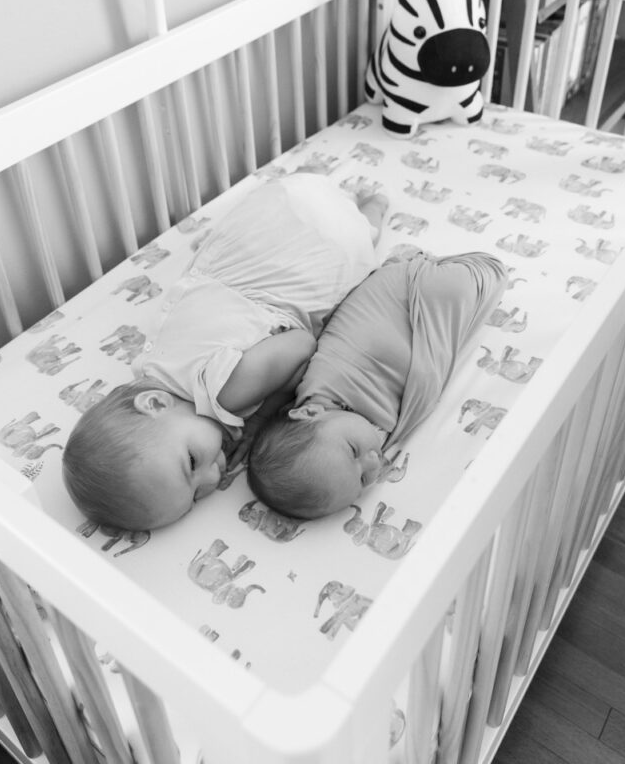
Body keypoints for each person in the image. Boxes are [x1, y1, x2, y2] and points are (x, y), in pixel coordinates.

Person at [62, 172, 388, 530]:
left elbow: (302, 344)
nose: (213, 477)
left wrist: (261, 417)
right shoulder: (152, 362)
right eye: (197, 496)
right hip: (275, 208)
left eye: (191, 463)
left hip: (322, 244)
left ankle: (370, 211)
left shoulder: (222, 390)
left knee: (358, 243)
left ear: (155, 404)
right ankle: (352, 197)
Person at [247, 247, 507, 519]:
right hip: (417, 309)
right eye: (361, 481)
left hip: (408, 292)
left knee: (458, 286)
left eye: (353, 450)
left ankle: (423, 267)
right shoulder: (338, 434)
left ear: (308, 412)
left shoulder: (323, 386)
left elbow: (287, 374)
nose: (373, 461)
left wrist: (259, 418)